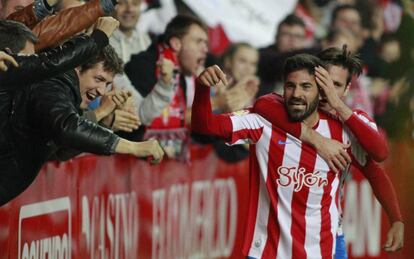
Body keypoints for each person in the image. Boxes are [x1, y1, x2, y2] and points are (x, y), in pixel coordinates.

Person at [191, 55, 367, 258]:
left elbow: (378, 156)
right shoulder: (261, 123)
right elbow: (204, 126)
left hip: (320, 253)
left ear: (321, 91)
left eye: (306, 86)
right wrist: (202, 88)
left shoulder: (341, 131)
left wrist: (396, 219)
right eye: (290, 86)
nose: (296, 94)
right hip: (265, 252)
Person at [252, 47, 404, 257]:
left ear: (347, 88)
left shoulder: (350, 123)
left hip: (328, 236)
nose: (326, 91)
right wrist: (317, 139)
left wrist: (396, 219)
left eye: (336, 85)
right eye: (323, 82)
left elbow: (378, 159)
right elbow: (261, 104)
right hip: (278, 238)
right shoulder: (286, 109)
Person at [0, 17, 164, 206]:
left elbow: (60, 148)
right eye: (98, 78)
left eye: (108, 84)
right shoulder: (51, 85)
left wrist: (102, 119)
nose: (102, 90)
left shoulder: (57, 91)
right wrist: (132, 147)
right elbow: (66, 127)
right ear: (78, 67)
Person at [124, 14, 208, 161]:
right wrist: (217, 102)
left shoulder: (179, 74)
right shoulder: (143, 66)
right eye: (198, 41)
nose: (205, 49)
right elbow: (134, 124)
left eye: (206, 43)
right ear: (176, 44)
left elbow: (191, 129)